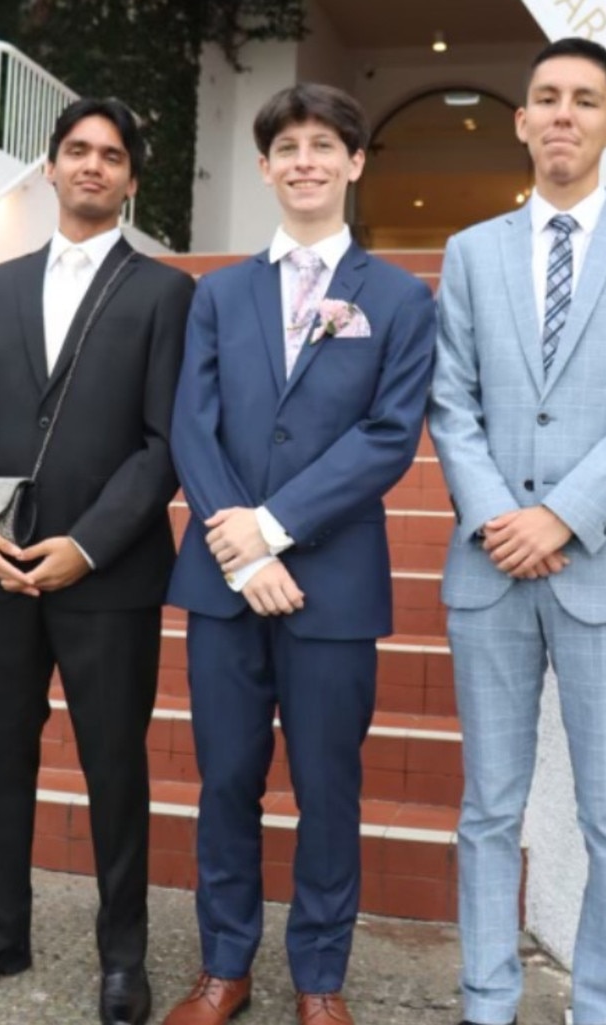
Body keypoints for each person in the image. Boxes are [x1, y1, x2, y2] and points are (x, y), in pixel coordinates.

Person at [428, 38, 606, 1025]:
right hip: (490, 567)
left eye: (584, 100)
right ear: (521, 119)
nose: (562, 114)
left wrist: (560, 516)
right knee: (488, 808)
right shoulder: (470, 252)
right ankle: (488, 999)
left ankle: (602, 1006)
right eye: (545, 97)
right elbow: (450, 401)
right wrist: (504, 517)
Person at [162, 83, 435, 1025]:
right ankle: (222, 967)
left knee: (328, 786)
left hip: (333, 585)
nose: (307, 160)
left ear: (355, 164)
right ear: (268, 166)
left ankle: (320, 978)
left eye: (326, 145)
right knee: (227, 778)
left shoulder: (398, 298)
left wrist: (270, 529)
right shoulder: (220, 293)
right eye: (289, 147)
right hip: (223, 583)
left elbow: (388, 437)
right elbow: (192, 427)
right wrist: (239, 551)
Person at [0, 97, 194, 1025]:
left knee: (114, 768)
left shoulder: (167, 293)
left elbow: (164, 442)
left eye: (112, 155)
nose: (92, 164)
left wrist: (87, 545)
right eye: (76, 150)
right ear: (50, 168)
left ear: (131, 179)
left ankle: (122, 955)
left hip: (109, 578)